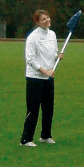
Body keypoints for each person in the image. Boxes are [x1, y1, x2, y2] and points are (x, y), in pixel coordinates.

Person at [21, 9, 63, 147]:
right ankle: (26, 139)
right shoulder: (32, 37)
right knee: (33, 109)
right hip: (35, 78)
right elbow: (30, 59)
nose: (47, 20)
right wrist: (44, 71)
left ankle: (45, 135)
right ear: (37, 22)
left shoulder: (52, 34)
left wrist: (57, 58)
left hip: (49, 78)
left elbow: (53, 54)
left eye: (48, 18)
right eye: (43, 19)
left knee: (48, 108)